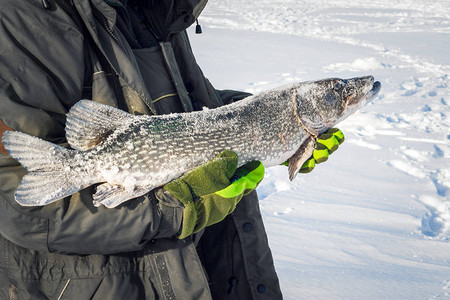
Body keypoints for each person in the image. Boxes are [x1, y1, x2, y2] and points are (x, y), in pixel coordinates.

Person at [0, 0, 343, 299]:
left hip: (217, 266)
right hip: (112, 285)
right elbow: (16, 202)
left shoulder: (157, 10)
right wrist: (176, 208)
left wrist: (271, 123)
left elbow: (186, 111)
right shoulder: (16, 19)